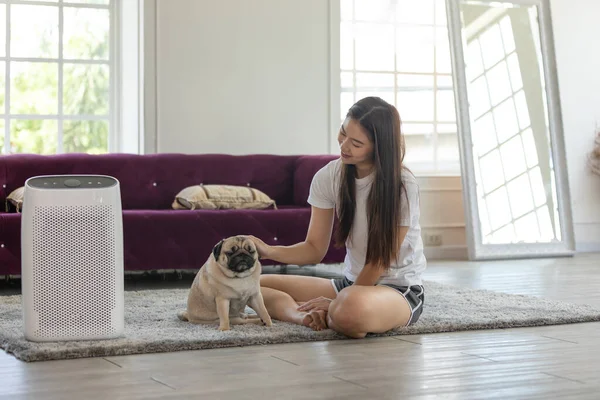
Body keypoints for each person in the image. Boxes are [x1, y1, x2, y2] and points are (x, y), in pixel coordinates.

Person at [249, 96, 426, 339]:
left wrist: (339, 300)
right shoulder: (329, 176)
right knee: (251, 284)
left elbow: (379, 262)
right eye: (343, 133)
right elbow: (313, 249)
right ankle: (303, 316)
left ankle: (337, 311)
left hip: (396, 289)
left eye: (356, 143)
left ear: (379, 147)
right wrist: (268, 251)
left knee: (350, 308)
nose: (344, 146)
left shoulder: (403, 186)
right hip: (350, 284)